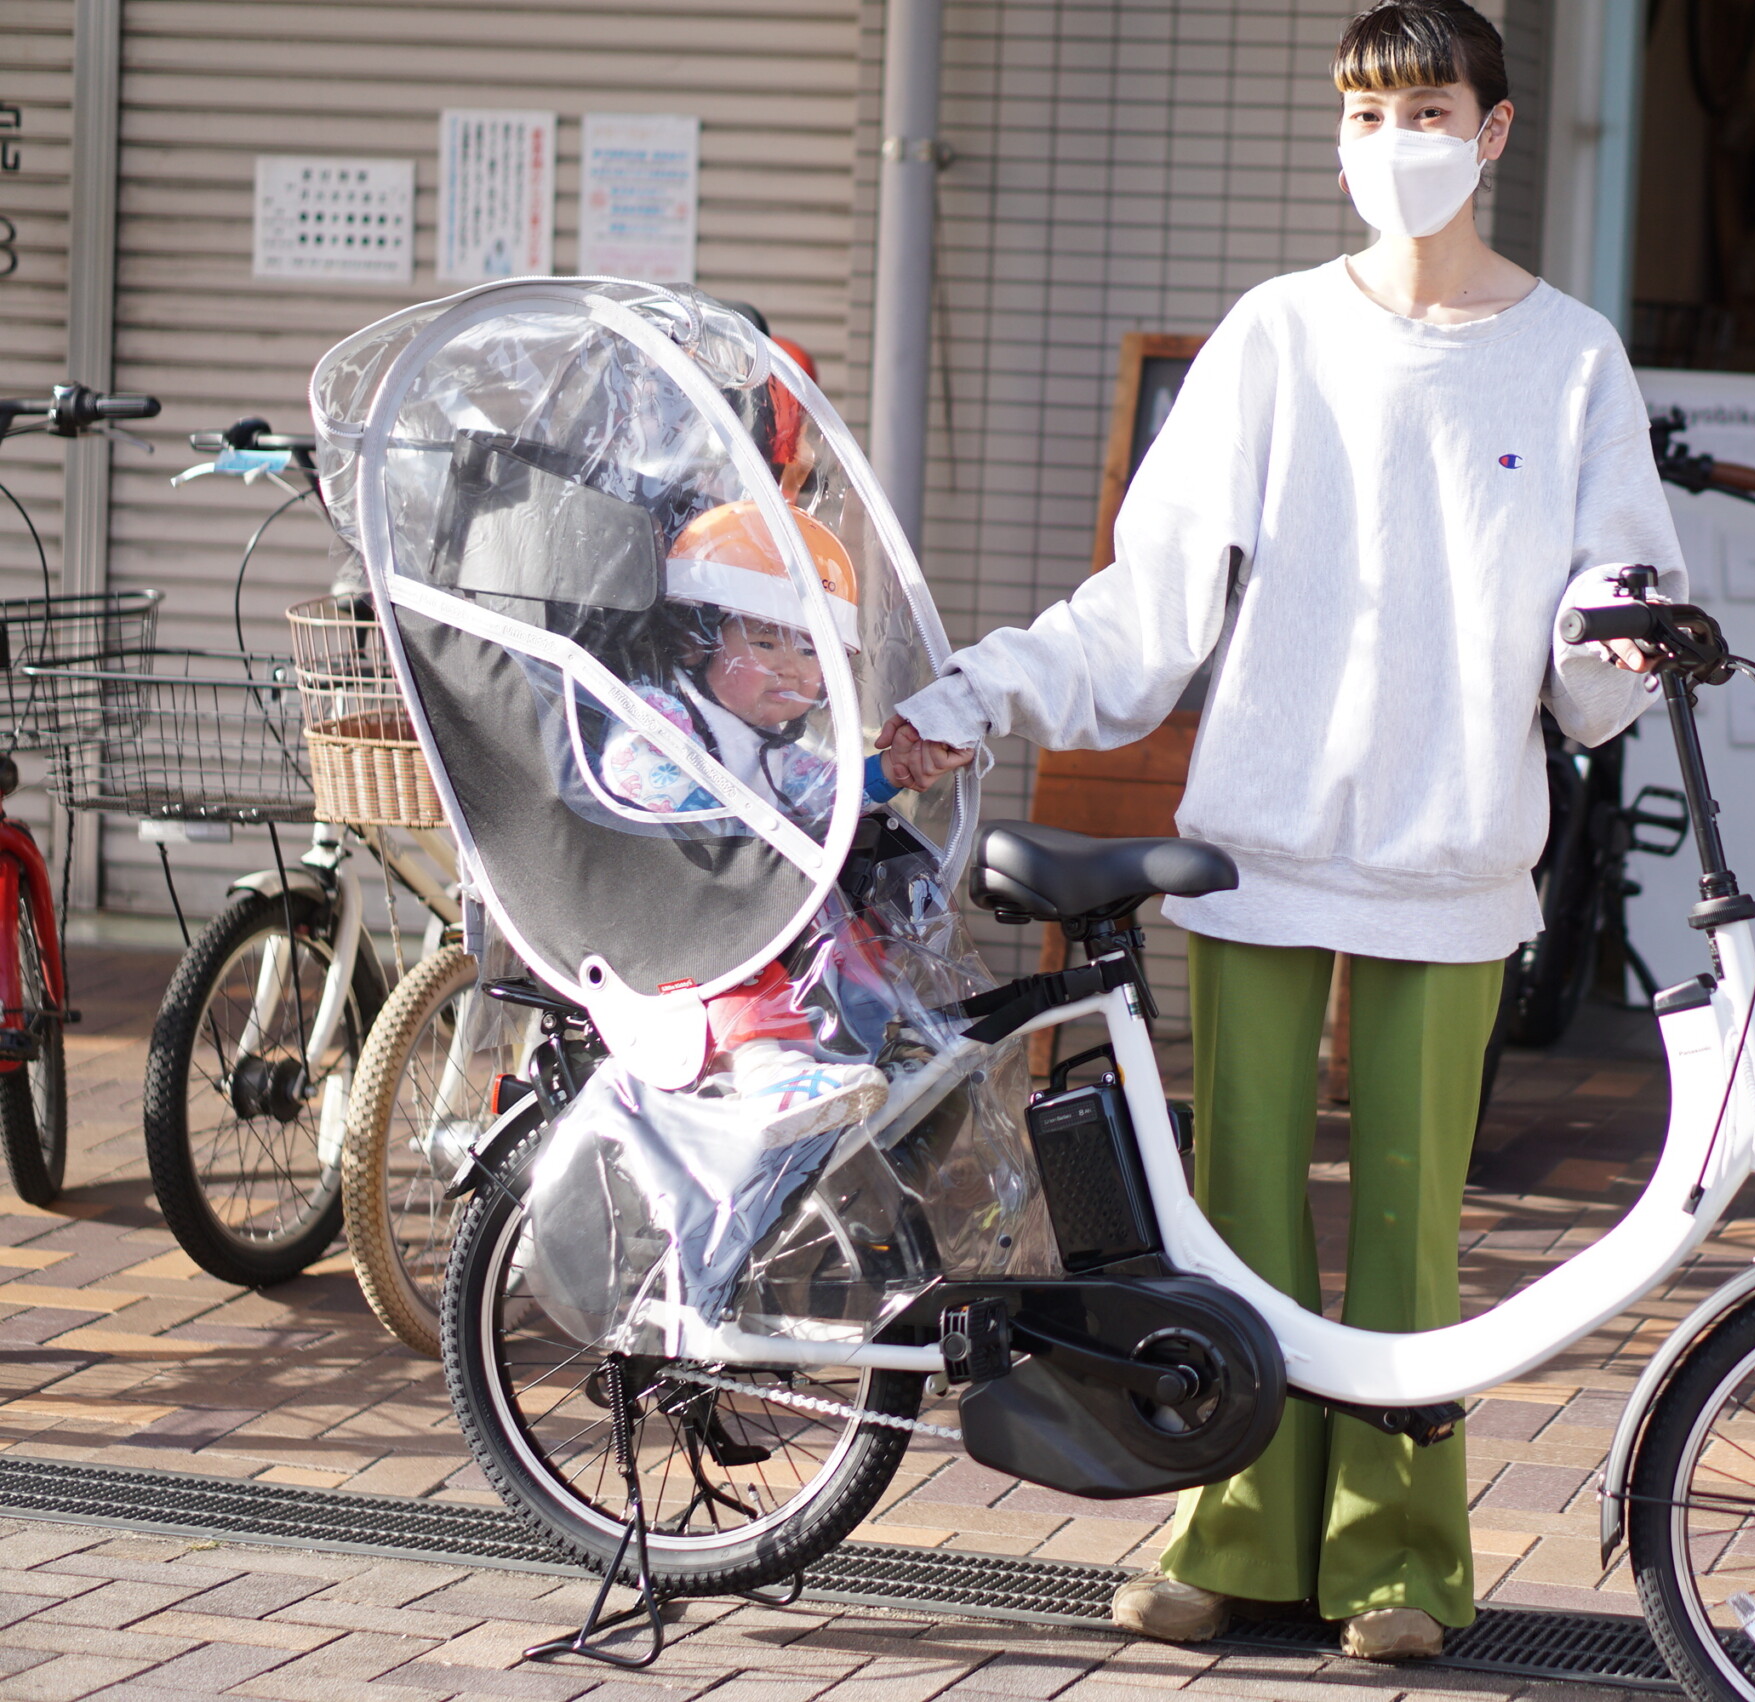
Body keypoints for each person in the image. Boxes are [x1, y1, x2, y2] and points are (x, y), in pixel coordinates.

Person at [875, 0, 1681, 1664]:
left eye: (1428, 111)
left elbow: (1609, 603)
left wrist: (1616, 633)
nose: (1395, 146)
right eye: (1365, 115)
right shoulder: (1275, 336)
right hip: (1257, 851)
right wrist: (987, 690)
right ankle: (1232, 1530)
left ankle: (1397, 1561)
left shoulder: (1570, 355)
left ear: (1498, 131)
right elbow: (1151, 600)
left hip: (1456, 857)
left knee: (1407, 1220)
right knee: (1234, 1206)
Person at [600, 496, 900, 1132]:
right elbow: (631, 767)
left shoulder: (766, 747)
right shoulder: (669, 714)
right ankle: (767, 1068)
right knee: (742, 941)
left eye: (810, 652)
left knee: (857, 928)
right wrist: (715, 811)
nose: (790, 667)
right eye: (764, 642)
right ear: (697, 639)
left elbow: (823, 791)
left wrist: (888, 773)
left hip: (736, 904)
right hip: (666, 916)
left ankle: (879, 1038)